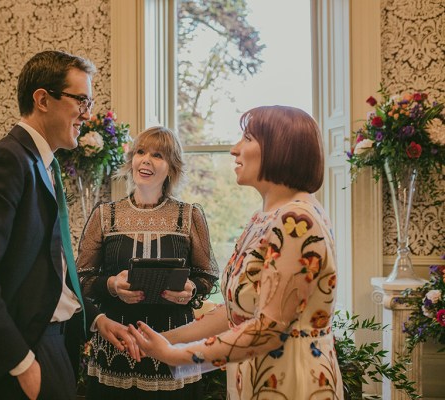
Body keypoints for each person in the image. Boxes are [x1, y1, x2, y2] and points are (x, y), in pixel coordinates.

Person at [0, 50, 138, 400]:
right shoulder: (6, 161)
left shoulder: (42, 165)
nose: (87, 114)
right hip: (15, 359)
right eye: (81, 100)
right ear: (43, 99)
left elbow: (45, 274)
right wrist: (20, 361)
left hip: (51, 345)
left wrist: (94, 319)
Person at [129, 106, 344, 399]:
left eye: (247, 138)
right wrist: (163, 341)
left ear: (280, 149)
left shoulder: (298, 220)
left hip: (289, 380)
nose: (234, 149)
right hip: (255, 374)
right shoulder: (263, 218)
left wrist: (177, 355)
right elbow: (235, 314)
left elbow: (267, 329)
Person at [76, 126, 219, 399]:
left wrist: (191, 289)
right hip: (116, 345)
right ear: (131, 160)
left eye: (158, 155)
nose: (146, 160)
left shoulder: (189, 216)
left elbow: (206, 276)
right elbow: (81, 278)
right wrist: (111, 285)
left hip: (174, 344)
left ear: (172, 167)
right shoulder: (105, 215)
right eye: (140, 152)